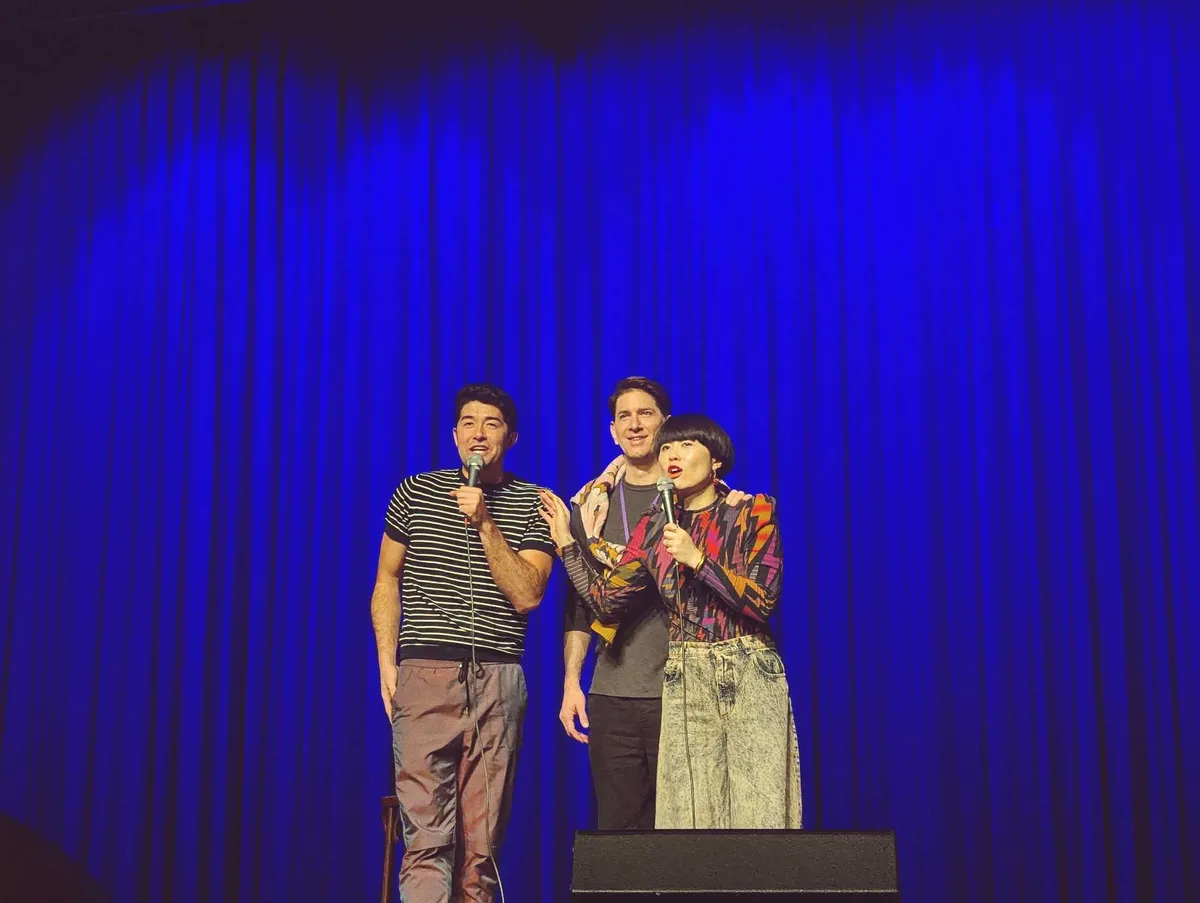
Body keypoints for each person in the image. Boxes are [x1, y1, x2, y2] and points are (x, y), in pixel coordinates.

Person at [540, 414, 802, 830]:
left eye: (685, 445)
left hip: (749, 666)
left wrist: (698, 559)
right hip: (686, 671)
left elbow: (763, 600)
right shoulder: (653, 526)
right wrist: (569, 547)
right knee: (688, 820)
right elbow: (607, 602)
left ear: (715, 460)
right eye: (666, 448)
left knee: (758, 813)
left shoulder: (753, 510)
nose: (672, 455)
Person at [371, 384, 556, 902]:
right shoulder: (415, 491)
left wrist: (484, 522)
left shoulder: (533, 502)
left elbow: (528, 595)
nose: (478, 432)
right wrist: (388, 662)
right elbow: (386, 582)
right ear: (454, 436)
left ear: (511, 437)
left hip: (497, 678)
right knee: (426, 841)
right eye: (468, 423)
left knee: (481, 850)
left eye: (491, 423)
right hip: (424, 674)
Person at [560, 377, 674, 831]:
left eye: (645, 413)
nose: (634, 425)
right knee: (621, 835)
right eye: (624, 416)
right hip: (611, 693)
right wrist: (572, 682)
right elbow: (579, 600)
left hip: (682, 691)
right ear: (612, 430)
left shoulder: (693, 496)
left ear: (664, 422)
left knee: (683, 831)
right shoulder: (590, 506)